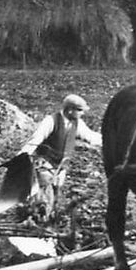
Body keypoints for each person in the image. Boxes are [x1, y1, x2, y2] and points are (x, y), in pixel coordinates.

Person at [17, 94, 102, 223]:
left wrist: (111, 140)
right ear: (69, 110)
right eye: (79, 110)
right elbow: (36, 139)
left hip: (61, 165)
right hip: (45, 163)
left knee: (56, 194)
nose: (82, 113)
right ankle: (38, 220)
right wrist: (21, 156)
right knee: (46, 190)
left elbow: (90, 137)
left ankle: (48, 221)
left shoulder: (77, 123)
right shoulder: (50, 121)